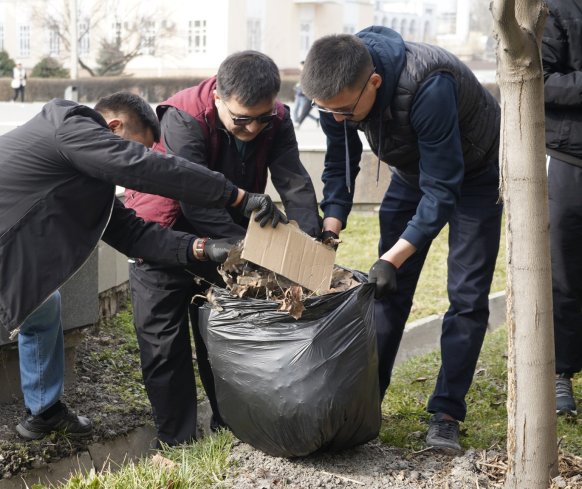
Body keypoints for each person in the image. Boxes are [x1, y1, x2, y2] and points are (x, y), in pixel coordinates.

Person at [0, 91, 285, 488]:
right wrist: (235, 195)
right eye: (138, 145)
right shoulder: (67, 128)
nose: (133, 166)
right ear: (113, 128)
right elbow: (143, 167)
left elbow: (134, 234)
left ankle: (43, 412)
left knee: (45, 308)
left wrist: (202, 248)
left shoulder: (84, 175)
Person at [300, 27, 502, 454]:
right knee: (386, 294)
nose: (336, 118)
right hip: (412, 173)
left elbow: (444, 189)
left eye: (343, 111)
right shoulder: (334, 90)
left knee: (466, 295)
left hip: (475, 173)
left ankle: (446, 414)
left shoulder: (428, 84)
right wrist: (330, 231)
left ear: (373, 83)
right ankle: (366, 401)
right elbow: (340, 164)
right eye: (327, 111)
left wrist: (393, 257)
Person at [125, 51, 322, 447]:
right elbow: (193, 196)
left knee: (227, 334)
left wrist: (311, 244)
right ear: (217, 96)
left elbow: (294, 180)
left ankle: (229, 426)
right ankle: (177, 442)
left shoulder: (277, 120)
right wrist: (247, 249)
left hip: (226, 231)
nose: (252, 129)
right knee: (164, 343)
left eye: (262, 118)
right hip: (163, 233)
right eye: (241, 119)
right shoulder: (183, 116)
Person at [543, 0, 582, 417]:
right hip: (570, 159)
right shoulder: (555, 8)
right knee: (564, 273)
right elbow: (537, 79)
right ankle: (561, 373)